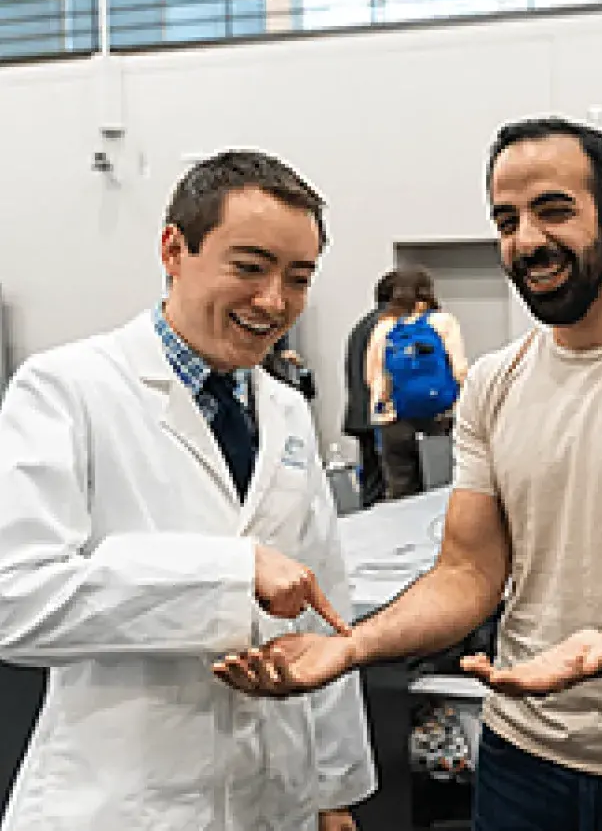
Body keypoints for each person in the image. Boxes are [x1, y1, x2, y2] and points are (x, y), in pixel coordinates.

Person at [212, 116, 602, 831]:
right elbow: (467, 572)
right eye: (506, 219)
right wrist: (351, 646)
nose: (526, 241)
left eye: (553, 211)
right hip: (521, 756)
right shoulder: (494, 382)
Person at [0, 150, 376, 831]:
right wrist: (229, 577)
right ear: (174, 249)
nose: (273, 302)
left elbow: (327, 607)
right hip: (124, 802)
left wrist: (335, 790)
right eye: (249, 267)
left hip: (275, 795)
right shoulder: (65, 391)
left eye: (298, 278)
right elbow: (16, 599)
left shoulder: (285, 410)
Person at [365, 265, 468, 500]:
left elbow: (372, 377)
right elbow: (460, 369)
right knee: (442, 490)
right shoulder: (443, 321)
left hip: (394, 419)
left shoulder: (384, 326)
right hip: (440, 417)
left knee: (402, 491)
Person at [342, 271, 396, 507]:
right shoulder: (389, 326)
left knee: (371, 484)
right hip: (383, 416)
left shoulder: (362, 324)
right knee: (391, 486)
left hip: (360, 412)